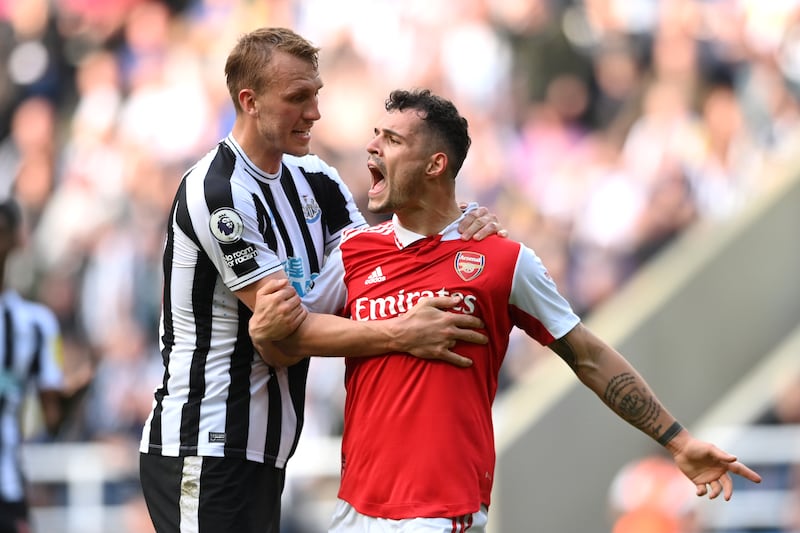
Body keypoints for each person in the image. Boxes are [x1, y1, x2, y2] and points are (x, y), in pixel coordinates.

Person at [250, 89, 763, 532]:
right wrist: (271, 320)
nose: (372, 146)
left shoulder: (501, 261)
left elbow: (587, 354)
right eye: (375, 135)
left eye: (392, 139)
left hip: (440, 510)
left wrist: (676, 440)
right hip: (355, 508)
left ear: (435, 165)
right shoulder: (355, 253)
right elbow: (288, 338)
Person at [138, 28, 503, 533]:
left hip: (265, 451)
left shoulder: (317, 180)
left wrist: (456, 225)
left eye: (316, 94)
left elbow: (378, 272)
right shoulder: (217, 192)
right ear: (250, 101)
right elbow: (284, 333)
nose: (314, 112)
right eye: (297, 98)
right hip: (206, 444)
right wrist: (403, 333)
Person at [0, 197, 64, 533]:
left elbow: (52, 419)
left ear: (17, 240)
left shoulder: (37, 326)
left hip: (9, 491)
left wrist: (73, 398)